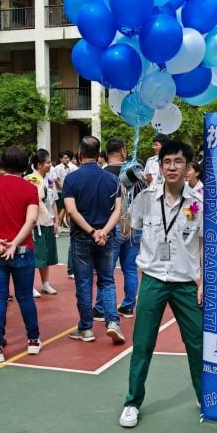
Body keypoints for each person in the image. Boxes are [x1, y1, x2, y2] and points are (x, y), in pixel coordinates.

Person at [120, 141, 203, 429]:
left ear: (188, 167)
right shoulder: (146, 198)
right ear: (159, 164)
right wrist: (126, 194)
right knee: (142, 343)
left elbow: (203, 245)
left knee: (197, 343)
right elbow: (126, 230)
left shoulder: (198, 203)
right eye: (166, 161)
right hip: (153, 280)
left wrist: (202, 281)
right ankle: (132, 402)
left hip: (185, 283)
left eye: (178, 162)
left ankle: (204, 397)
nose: (171, 167)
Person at [0, 146, 42, 363]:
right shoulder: (29, 188)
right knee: (25, 297)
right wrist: (15, 243)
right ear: (25, 165)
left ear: (2, 164)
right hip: (22, 251)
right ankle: (33, 340)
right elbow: (31, 220)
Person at [62, 136, 124, 344]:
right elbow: (118, 210)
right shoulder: (112, 179)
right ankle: (113, 322)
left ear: (80, 154)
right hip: (106, 238)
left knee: (84, 282)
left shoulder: (71, 179)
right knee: (107, 281)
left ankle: (86, 328)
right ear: (99, 155)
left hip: (81, 238)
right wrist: (103, 231)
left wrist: (91, 231)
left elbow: (71, 210)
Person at [94, 137, 142, 320]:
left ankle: (100, 307)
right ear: (123, 151)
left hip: (111, 226)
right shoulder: (134, 173)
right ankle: (129, 306)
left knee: (107, 270)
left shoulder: (102, 174)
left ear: (106, 154)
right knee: (130, 268)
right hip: (134, 226)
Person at [24, 149, 59, 298]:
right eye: (47, 162)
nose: (50, 165)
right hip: (36, 223)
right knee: (36, 254)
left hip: (48, 222)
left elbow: (53, 201)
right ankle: (29, 285)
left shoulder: (49, 179)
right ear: (39, 164)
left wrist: (56, 220)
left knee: (47, 254)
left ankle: (45, 283)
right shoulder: (31, 179)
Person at [51, 150, 76, 235]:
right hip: (60, 192)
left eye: (68, 157)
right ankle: (58, 227)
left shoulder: (71, 167)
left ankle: (69, 228)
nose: (67, 159)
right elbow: (57, 180)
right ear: (60, 159)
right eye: (65, 158)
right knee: (60, 210)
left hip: (69, 192)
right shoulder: (57, 168)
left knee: (67, 210)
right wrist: (65, 189)